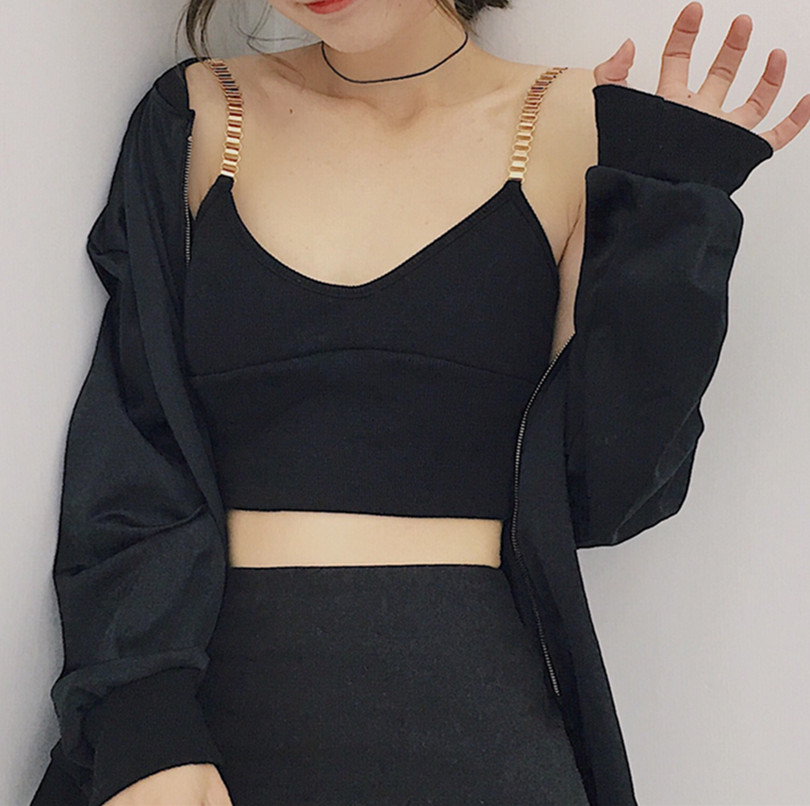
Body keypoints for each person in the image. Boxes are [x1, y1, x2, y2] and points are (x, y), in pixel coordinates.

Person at [30, 1, 808, 805]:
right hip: (198, 727)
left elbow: (605, 492)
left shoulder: (588, 124)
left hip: (473, 725)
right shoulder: (196, 113)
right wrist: (143, 724)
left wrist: (670, 207)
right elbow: (130, 446)